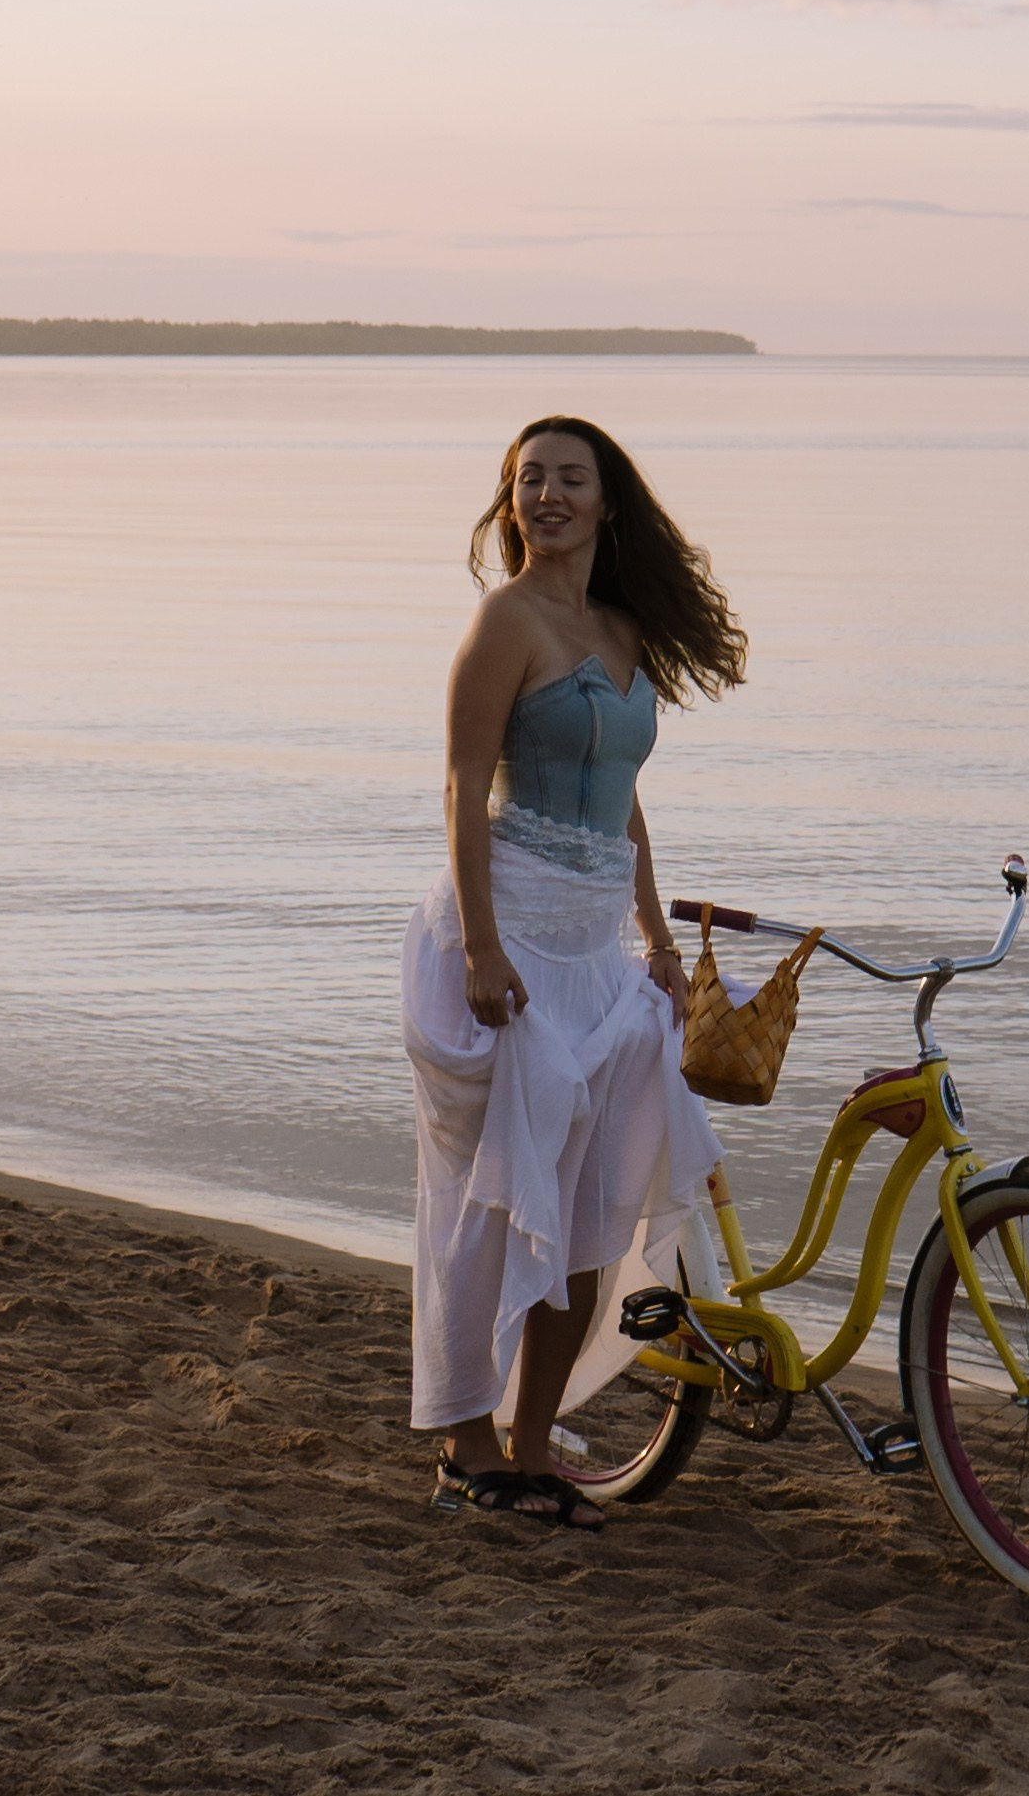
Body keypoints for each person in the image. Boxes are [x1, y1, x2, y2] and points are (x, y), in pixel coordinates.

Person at [402, 414, 747, 1527]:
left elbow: (626, 797)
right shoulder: (503, 620)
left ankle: (534, 1445)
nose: (546, 494)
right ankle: (464, 1443)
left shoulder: (618, 627)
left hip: (598, 954)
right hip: (506, 941)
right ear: (512, 504)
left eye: (568, 478)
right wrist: (486, 946)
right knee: (490, 1207)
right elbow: (463, 783)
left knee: (594, 1209)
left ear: (607, 501)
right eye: (527, 479)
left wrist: (654, 934)